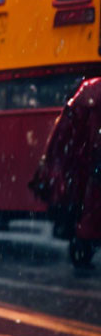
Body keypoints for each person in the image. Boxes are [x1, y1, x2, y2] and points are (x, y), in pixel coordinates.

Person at [31, 78, 101, 268]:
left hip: (89, 160)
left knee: (88, 208)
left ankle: (82, 243)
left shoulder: (89, 90)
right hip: (92, 160)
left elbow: (65, 129)